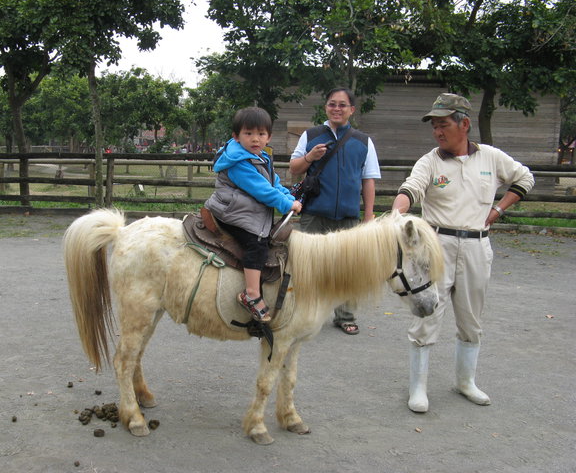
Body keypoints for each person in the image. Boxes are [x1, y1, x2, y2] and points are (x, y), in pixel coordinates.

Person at [392, 93, 535, 412]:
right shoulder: (429, 160)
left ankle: (465, 381)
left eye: (443, 125)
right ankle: (418, 388)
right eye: (435, 127)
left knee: (471, 317)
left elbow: (524, 178)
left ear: (464, 124)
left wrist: (498, 209)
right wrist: (397, 215)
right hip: (437, 245)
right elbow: (411, 188)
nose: (438, 132)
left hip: (476, 245)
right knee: (427, 313)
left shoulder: (491, 158)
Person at [289, 87, 381, 335]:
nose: (336, 109)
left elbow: (368, 179)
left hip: (348, 216)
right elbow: (294, 169)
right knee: (307, 265)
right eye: (332, 104)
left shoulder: (362, 141)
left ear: (352, 109)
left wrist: (369, 215)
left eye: (342, 105)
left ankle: (345, 316)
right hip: (314, 214)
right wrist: (310, 156)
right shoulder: (311, 135)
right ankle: (305, 315)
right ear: (325, 107)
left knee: (348, 268)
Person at [205, 107, 302, 323]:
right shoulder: (239, 162)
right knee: (257, 242)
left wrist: (289, 196)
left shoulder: (260, 157)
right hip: (231, 211)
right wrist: (287, 205)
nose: (255, 139)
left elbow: (273, 183)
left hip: (244, 207)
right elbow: (263, 191)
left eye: (261, 134)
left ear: (269, 137)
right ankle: (251, 294)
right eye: (248, 134)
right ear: (236, 136)